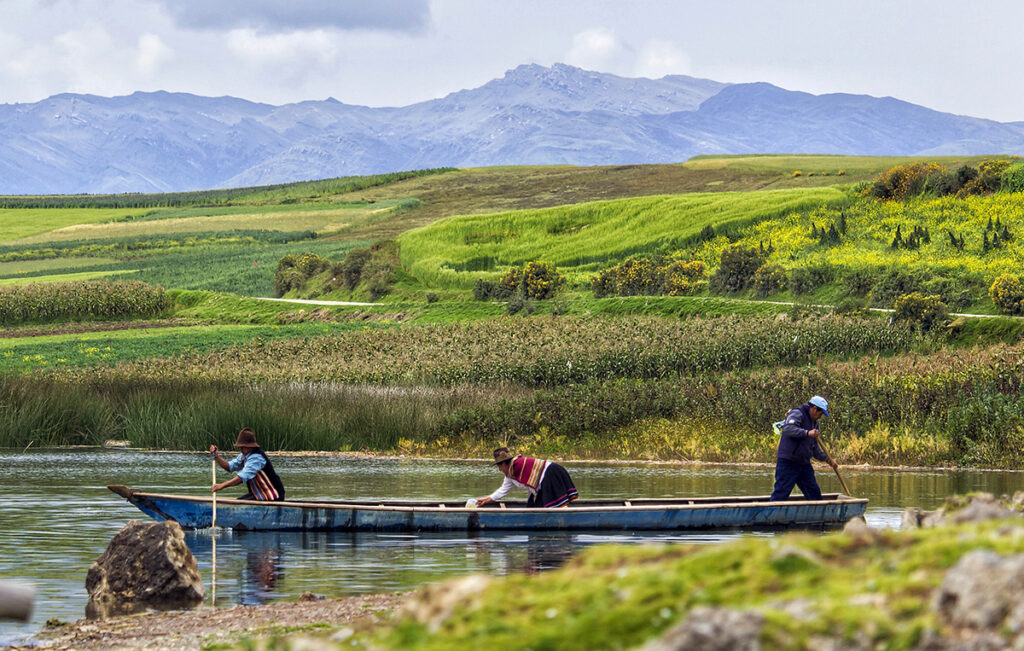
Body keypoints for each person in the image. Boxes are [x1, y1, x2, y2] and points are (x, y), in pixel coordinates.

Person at [769, 395, 838, 502]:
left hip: (803, 464)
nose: (820, 416)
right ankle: (770, 516)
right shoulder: (798, 413)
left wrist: (828, 459)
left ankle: (818, 516)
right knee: (781, 493)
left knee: (814, 494)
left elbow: (814, 449)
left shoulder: (814, 424)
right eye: (820, 413)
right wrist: (807, 433)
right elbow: (788, 428)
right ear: (814, 409)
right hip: (788, 462)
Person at [474, 447, 578, 508]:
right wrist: (486, 499)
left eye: (499, 466)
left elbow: (536, 479)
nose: (499, 469)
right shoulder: (510, 474)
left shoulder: (520, 464)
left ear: (505, 464)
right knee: (533, 506)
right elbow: (503, 490)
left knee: (553, 505)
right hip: (542, 483)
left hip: (551, 474)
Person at [210, 428, 285, 501]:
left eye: (242, 448)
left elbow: (241, 478)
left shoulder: (257, 458)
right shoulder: (245, 455)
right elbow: (229, 467)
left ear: (250, 447)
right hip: (259, 494)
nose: (241, 450)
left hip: (273, 494)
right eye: (240, 448)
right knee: (238, 502)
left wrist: (221, 486)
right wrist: (216, 457)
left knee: (238, 504)